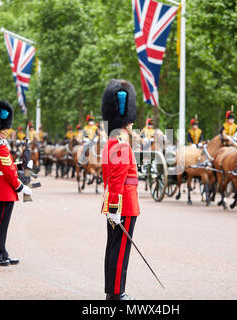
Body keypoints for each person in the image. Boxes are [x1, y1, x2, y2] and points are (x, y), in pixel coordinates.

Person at [101, 79, 139, 300]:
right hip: (123, 203)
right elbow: (116, 179)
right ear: (126, 119)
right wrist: (115, 207)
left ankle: (112, 291)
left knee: (114, 248)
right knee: (120, 250)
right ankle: (116, 294)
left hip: (118, 202)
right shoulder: (121, 144)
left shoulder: (112, 142)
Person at [0, 100, 32, 266]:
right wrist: (21, 186)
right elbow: (8, 171)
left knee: (1, 223)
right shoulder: (0, 146)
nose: (6, 132)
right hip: (4, 188)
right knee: (0, 223)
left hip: (1, 187)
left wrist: (21, 164)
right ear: (0, 129)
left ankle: (1, 252)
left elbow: (7, 165)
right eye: (5, 129)